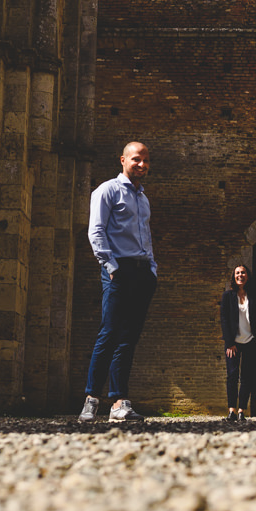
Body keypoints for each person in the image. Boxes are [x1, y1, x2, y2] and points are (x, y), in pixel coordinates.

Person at [78, 142, 158, 422]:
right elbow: (96, 230)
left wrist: (152, 269)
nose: (142, 165)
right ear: (123, 160)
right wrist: (110, 266)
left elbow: (144, 237)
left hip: (142, 272)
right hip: (118, 270)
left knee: (128, 339)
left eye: (146, 161)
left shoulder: (143, 198)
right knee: (109, 333)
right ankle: (91, 398)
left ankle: (119, 403)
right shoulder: (108, 190)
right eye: (137, 159)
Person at [220, 263, 256, 421]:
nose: (240, 275)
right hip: (233, 343)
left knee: (247, 377)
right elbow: (224, 320)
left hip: (250, 341)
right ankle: (231, 410)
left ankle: (241, 411)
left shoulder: (254, 296)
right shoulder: (228, 296)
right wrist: (229, 342)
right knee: (232, 375)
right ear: (234, 276)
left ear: (247, 276)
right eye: (237, 273)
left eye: (243, 273)